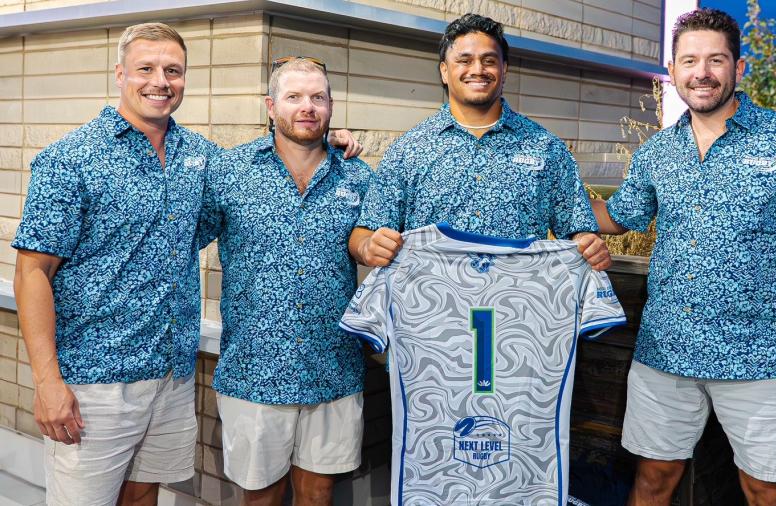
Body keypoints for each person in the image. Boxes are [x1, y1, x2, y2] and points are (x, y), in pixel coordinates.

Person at [12, 23, 359, 506]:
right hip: (95, 377)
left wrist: (328, 139)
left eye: (173, 70)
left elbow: (281, 155)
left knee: (143, 498)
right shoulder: (71, 159)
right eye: (146, 69)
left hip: (171, 374)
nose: (161, 81)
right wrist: (47, 381)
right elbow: (32, 272)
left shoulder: (203, 158)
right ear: (119, 74)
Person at [591, 9, 776, 506]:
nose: (702, 72)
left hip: (760, 354)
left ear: (739, 68)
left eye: (716, 59)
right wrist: (552, 197)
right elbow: (617, 217)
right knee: (653, 480)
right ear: (672, 71)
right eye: (689, 61)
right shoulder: (656, 154)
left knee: (767, 492)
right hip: (667, 350)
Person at [198, 57, 369, 505]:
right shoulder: (230, 173)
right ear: (271, 107)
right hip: (255, 369)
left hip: (333, 368)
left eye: (318, 97)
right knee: (260, 496)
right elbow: (180, 239)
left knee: (318, 493)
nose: (307, 107)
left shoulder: (360, 177)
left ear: (332, 107)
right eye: (294, 97)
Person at [348, 13, 610, 271]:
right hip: (430, 309)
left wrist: (587, 243)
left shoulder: (545, 147)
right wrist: (368, 246)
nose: (477, 70)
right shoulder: (409, 150)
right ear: (444, 71)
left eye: (489, 60)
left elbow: (577, 229)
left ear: (504, 69)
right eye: (464, 60)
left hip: (519, 307)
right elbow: (364, 233)